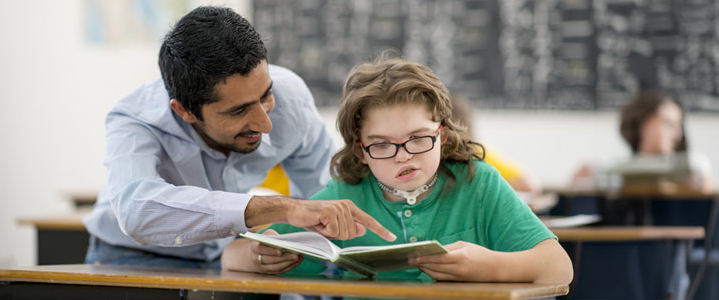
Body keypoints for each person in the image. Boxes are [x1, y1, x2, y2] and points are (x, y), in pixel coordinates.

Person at [82, 6, 395, 269]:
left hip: (226, 252)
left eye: (266, 94)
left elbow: (323, 194)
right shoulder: (134, 120)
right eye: (238, 111)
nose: (265, 123)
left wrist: (284, 238)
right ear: (185, 111)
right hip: (130, 257)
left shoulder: (292, 101)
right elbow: (137, 211)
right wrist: (281, 209)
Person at [222, 58, 573, 283]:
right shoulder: (345, 195)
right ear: (360, 152)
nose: (403, 157)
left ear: (443, 135)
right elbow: (231, 256)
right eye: (382, 145)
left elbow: (559, 267)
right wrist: (257, 256)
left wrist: (489, 266)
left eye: (419, 139)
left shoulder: (478, 183)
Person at [572, 91, 714, 192]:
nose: (677, 134)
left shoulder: (693, 169)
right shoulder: (609, 172)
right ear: (643, 122)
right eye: (669, 123)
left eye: (679, 126)